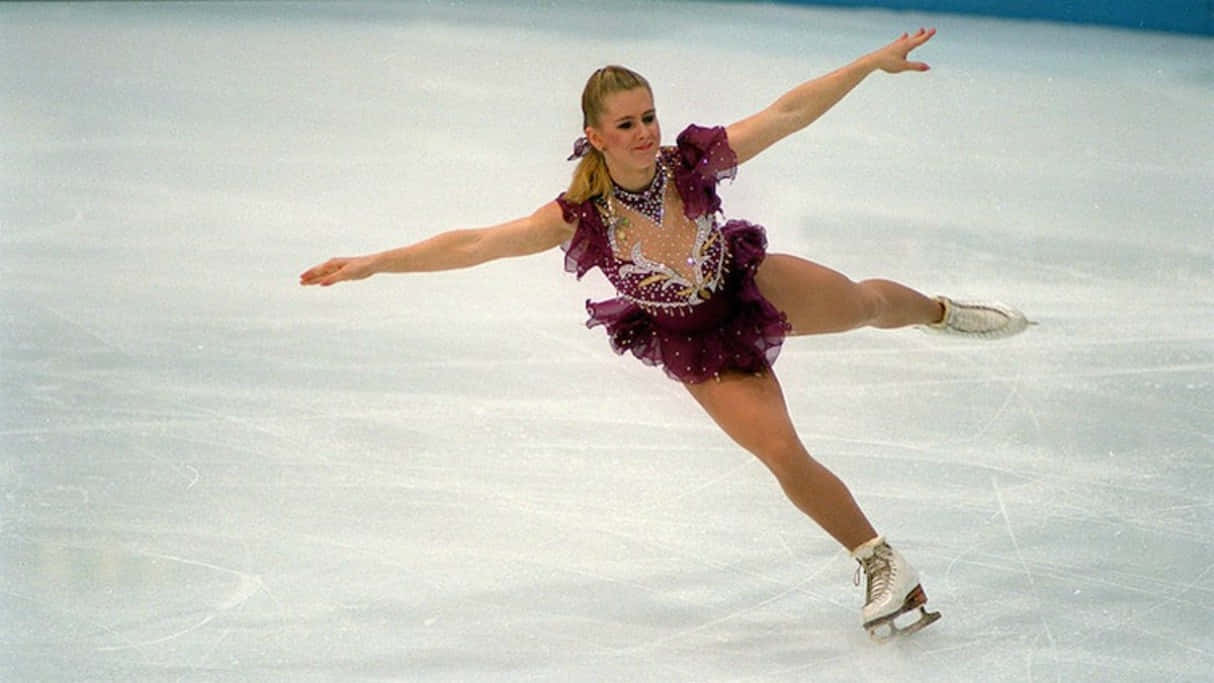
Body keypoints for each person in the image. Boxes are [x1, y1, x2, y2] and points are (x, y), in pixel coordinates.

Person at [300, 27, 1028, 641]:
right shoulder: (579, 215)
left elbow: (788, 112)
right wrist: (373, 264)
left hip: (748, 282)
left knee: (867, 304)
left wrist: (866, 66)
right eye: (626, 124)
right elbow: (475, 244)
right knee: (782, 453)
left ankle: (942, 313)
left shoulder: (691, 163)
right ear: (594, 136)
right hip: (699, 346)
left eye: (648, 116)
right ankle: (879, 560)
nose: (645, 132)